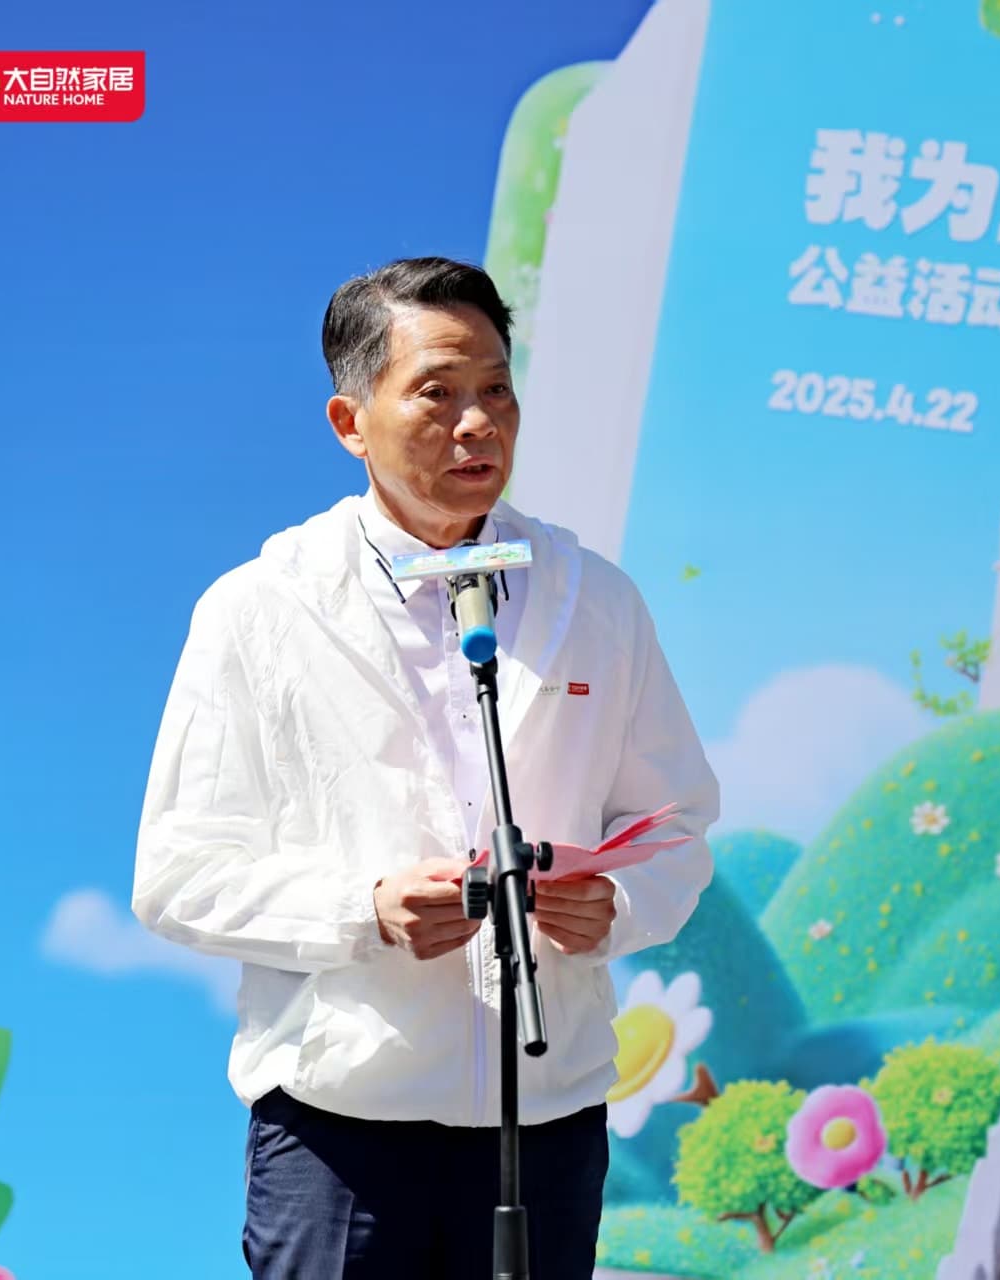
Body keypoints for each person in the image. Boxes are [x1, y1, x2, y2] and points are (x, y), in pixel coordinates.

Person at [132, 257, 718, 1278]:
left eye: (497, 389)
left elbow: (675, 825)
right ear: (350, 422)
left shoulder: (596, 600)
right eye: (438, 393)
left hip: (546, 1120)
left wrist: (618, 905)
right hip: (339, 1130)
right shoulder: (261, 608)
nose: (478, 423)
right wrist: (364, 910)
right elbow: (179, 874)